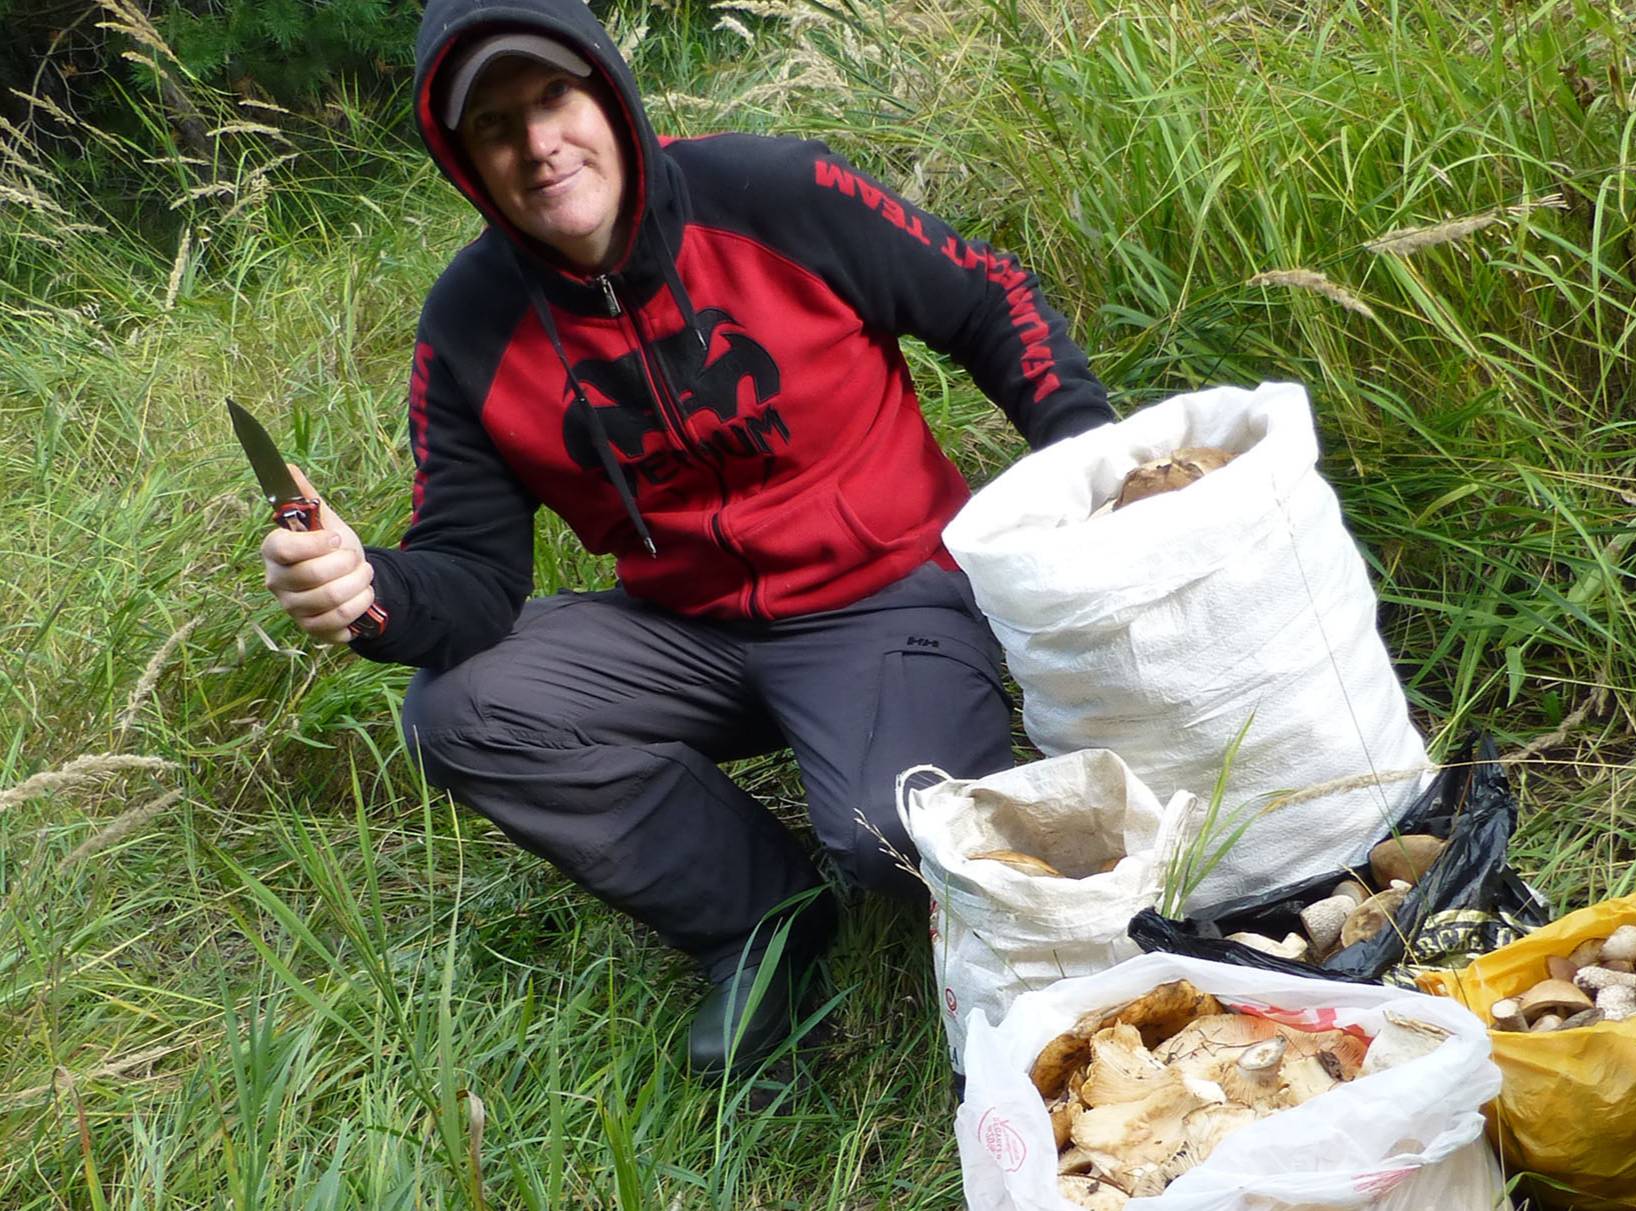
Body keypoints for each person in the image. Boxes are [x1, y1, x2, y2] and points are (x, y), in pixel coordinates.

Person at [257, 0, 1113, 1077]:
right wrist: (365, 589)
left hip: (887, 594)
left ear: (609, 94)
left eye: (555, 98)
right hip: (686, 628)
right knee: (456, 710)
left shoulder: (775, 193)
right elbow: (472, 575)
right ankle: (760, 917)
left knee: (892, 840)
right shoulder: (470, 323)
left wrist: (1092, 465)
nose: (539, 144)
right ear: (463, 160)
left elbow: (989, 298)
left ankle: (895, 806)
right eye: (496, 127)